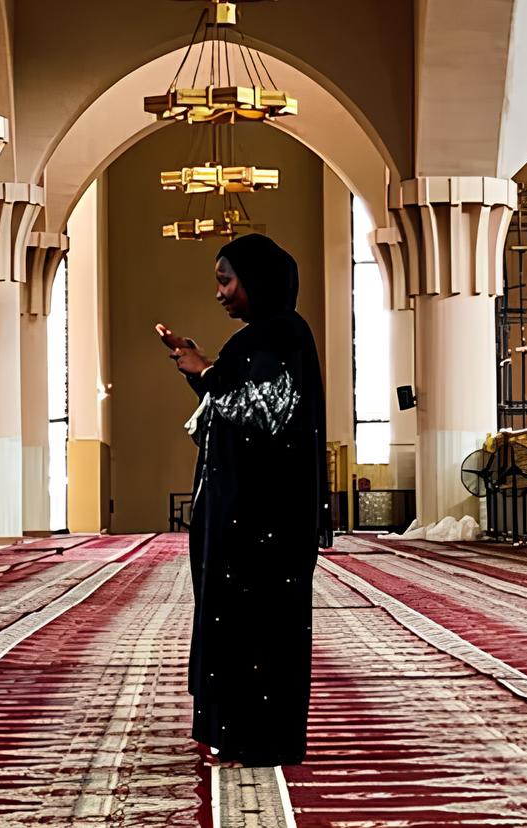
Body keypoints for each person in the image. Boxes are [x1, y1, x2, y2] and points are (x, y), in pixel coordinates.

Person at [156, 230, 331, 768]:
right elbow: (231, 407)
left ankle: (257, 741)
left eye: (226, 280)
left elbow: (266, 414)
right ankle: (231, 735)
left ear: (256, 279)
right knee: (231, 620)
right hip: (238, 513)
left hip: (264, 519)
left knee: (257, 625)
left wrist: (207, 371)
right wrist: (199, 368)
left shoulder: (283, 334)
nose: (220, 293)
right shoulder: (254, 340)